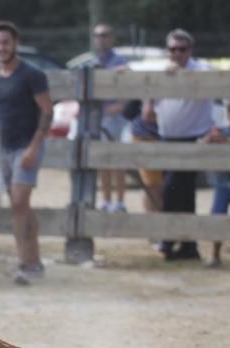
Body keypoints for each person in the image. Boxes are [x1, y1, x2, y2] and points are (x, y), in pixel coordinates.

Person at [0, 21, 53, 286]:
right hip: (6, 147)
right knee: (20, 205)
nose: (1, 47)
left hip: (27, 144)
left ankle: (24, 263)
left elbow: (47, 111)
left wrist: (35, 147)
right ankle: (34, 260)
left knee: (19, 202)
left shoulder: (32, 74)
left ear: (15, 43)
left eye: (5, 42)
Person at [143, 29, 214, 261]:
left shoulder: (201, 69)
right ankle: (188, 245)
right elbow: (148, 111)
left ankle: (169, 239)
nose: (177, 54)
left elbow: (207, 79)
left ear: (190, 51)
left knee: (173, 189)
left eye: (181, 49)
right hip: (167, 137)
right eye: (172, 49)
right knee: (182, 193)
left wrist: (179, 76)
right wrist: (159, 86)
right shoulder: (161, 72)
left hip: (192, 137)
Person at [90, 23, 130, 213]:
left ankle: (119, 201)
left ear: (112, 38)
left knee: (117, 161)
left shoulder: (119, 61)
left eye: (105, 35)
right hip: (98, 116)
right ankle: (106, 200)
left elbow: (127, 86)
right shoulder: (91, 61)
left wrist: (120, 105)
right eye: (98, 35)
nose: (101, 38)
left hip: (115, 117)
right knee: (102, 161)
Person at [198, 99, 230, 267]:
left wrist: (226, 141)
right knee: (217, 217)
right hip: (222, 184)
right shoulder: (220, 131)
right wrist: (209, 140)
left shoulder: (226, 136)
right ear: (228, 116)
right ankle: (215, 255)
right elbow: (203, 142)